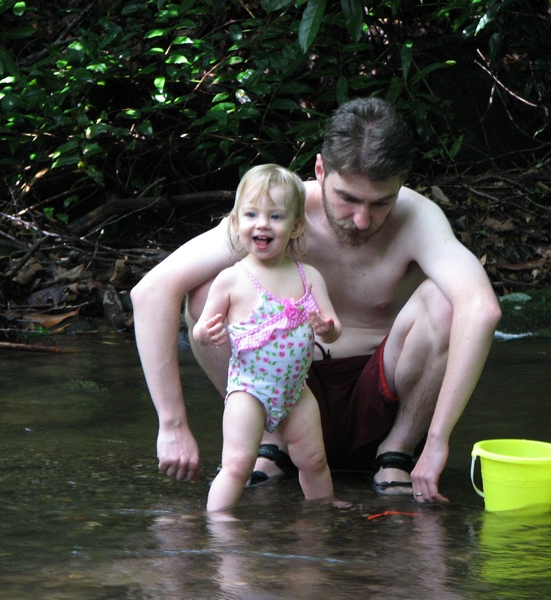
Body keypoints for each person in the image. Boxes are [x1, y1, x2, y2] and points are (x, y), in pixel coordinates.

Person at [132, 97, 502, 503]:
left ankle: (396, 451)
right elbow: (153, 292)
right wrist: (172, 425)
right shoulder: (278, 214)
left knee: (446, 302)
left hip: (379, 390)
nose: (363, 220)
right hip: (283, 390)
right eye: (348, 198)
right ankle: (268, 445)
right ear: (321, 170)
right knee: (206, 292)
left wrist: (437, 442)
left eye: (381, 202)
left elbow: (481, 309)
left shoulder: (418, 217)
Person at [191, 164, 341, 512]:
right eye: (252, 214)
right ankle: (219, 526)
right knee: (238, 465)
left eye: (275, 216)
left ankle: (322, 515)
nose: (262, 224)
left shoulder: (309, 277)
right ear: (236, 223)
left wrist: (326, 328)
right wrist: (205, 332)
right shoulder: (232, 279)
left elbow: (334, 328)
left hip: (295, 389)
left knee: (315, 459)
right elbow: (201, 328)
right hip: (249, 389)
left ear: (296, 226)